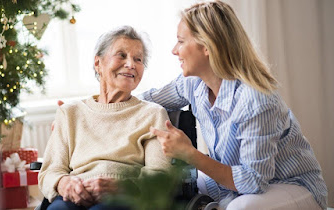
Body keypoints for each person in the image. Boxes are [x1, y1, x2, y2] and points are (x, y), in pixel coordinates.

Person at [143, 1, 327, 209]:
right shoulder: (192, 83)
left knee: (240, 207)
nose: (174, 50)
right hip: (234, 185)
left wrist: (189, 154)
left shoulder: (255, 99)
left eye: (181, 41)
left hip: (290, 185)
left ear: (207, 46)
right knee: (173, 186)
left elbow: (253, 181)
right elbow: (148, 100)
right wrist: (107, 96)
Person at [39, 26, 171, 210]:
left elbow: (160, 177)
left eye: (138, 59)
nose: (131, 64)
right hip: (74, 196)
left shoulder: (153, 114)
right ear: (98, 63)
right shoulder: (69, 112)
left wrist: (122, 188)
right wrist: (64, 184)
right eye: (121, 55)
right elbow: (50, 171)